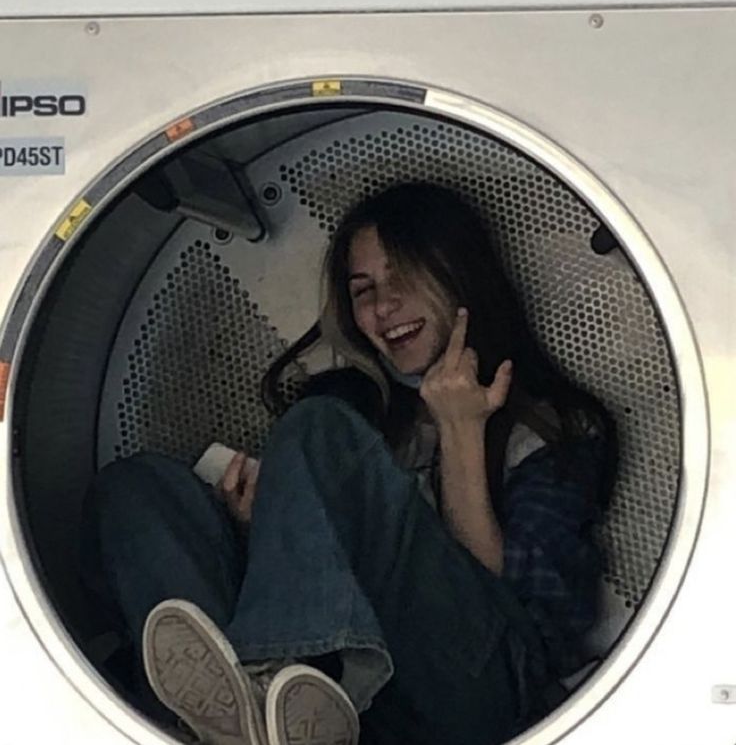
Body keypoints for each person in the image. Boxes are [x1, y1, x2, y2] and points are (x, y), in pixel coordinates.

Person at [83, 182, 617, 745]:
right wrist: (269, 534)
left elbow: (539, 627)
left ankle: (263, 683)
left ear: (460, 277)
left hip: (478, 699)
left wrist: (462, 433)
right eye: (364, 290)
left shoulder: (549, 428)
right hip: (351, 704)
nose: (384, 307)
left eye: (404, 277)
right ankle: (240, 716)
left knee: (321, 428)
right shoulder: (367, 410)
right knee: (139, 490)